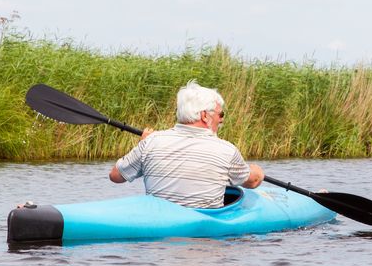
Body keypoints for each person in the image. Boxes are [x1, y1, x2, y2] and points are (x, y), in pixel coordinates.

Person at [109, 80, 264, 208]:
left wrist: (142, 145)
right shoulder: (227, 150)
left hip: (158, 233)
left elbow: (115, 176)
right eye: (220, 114)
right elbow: (253, 181)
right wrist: (257, 172)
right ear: (204, 115)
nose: (222, 119)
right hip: (204, 238)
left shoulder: (151, 141)